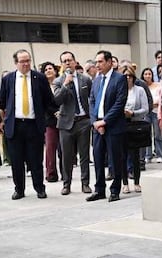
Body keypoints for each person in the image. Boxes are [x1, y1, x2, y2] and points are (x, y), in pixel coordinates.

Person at [0, 49, 55, 200]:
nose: (26, 64)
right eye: (22, 61)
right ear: (16, 63)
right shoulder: (8, 79)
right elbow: (2, 102)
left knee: (36, 160)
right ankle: (19, 189)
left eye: (28, 61)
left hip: (33, 125)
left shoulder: (39, 78)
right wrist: (3, 121)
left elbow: (49, 101)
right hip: (15, 125)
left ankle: (39, 188)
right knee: (16, 161)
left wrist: (48, 116)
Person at [85, 49, 126, 203]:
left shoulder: (119, 79)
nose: (97, 65)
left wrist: (105, 121)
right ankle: (99, 189)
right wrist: (95, 122)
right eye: (96, 62)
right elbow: (92, 102)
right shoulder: (96, 80)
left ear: (109, 62)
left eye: (100, 62)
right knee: (97, 158)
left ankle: (115, 190)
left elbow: (119, 103)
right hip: (97, 126)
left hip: (113, 125)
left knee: (115, 159)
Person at [52, 50, 92, 195]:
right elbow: (57, 100)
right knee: (67, 156)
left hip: (83, 121)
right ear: (62, 64)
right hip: (66, 123)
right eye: (65, 61)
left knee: (84, 155)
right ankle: (66, 184)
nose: (68, 63)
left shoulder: (85, 79)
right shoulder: (58, 81)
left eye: (70, 60)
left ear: (75, 62)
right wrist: (65, 84)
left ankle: (85, 183)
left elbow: (92, 98)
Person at [121, 67, 148, 194]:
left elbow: (145, 108)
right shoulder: (119, 90)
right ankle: (125, 183)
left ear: (133, 77)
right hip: (121, 124)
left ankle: (137, 182)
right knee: (122, 155)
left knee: (135, 156)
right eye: (125, 76)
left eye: (130, 76)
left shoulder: (139, 90)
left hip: (135, 124)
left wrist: (133, 113)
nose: (127, 78)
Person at [39, 61, 61, 184]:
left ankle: (65, 172)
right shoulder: (42, 87)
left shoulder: (61, 83)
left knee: (64, 148)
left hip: (64, 119)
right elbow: (44, 103)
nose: (48, 71)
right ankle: (51, 173)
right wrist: (54, 112)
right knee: (50, 147)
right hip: (49, 120)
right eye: (46, 69)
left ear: (55, 71)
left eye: (50, 68)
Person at [142, 67, 162, 163]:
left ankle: (160, 154)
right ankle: (148, 155)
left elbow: (161, 97)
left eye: (149, 74)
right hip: (146, 112)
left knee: (157, 134)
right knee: (147, 134)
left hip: (156, 111)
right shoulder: (142, 86)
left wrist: (155, 103)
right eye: (146, 74)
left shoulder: (158, 85)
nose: (147, 76)